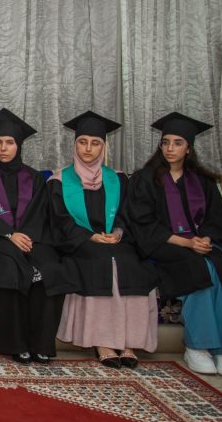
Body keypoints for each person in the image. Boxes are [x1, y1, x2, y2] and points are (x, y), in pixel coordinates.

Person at [127, 113, 222, 378]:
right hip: (165, 243)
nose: (170, 148)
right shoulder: (145, 179)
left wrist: (206, 239)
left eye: (177, 143)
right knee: (197, 267)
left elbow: (218, 220)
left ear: (189, 148)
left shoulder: (203, 181)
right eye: (165, 142)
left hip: (199, 242)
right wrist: (187, 242)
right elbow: (143, 223)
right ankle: (197, 347)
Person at [0, 109, 79, 364]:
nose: (3, 148)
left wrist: (23, 236)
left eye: (9, 143)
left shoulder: (34, 178)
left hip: (31, 238)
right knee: (6, 267)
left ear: (19, 146)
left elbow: (39, 213)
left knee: (50, 267)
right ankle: (14, 344)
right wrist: (8, 234)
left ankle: (42, 344)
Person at [52, 111, 159, 368]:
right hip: (80, 244)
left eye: (95, 143)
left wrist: (119, 233)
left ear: (103, 147)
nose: (88, 149)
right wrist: (89, 236)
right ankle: (102, 341)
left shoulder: (118, 179)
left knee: (130, 262)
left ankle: (128, 341)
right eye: (82, 142)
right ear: (75, 145)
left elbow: (128, 215)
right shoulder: (59, 181)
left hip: (116, 241)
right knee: (99, 261)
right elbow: (59, 221)